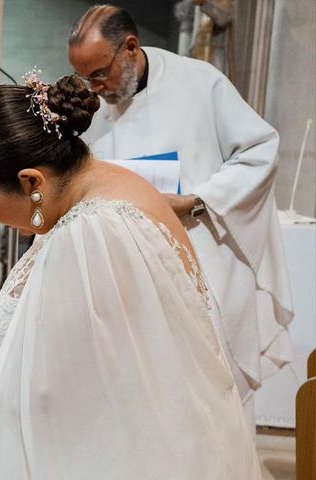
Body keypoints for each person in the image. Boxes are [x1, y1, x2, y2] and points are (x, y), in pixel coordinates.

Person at [0, 72, 262, 478]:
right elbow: (91, 350)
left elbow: (34, 406)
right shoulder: (107, 188)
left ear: (30, 182)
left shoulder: (88, 234)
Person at [67, 4, 293, 427]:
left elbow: (261, 150)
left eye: (100, 72)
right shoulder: (98, 106)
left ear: (130, 47)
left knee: (211, 401)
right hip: (132, 282)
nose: (94, 87)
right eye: (85, 77)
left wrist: (197, 200)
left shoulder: (200, 83)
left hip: (204, 265)